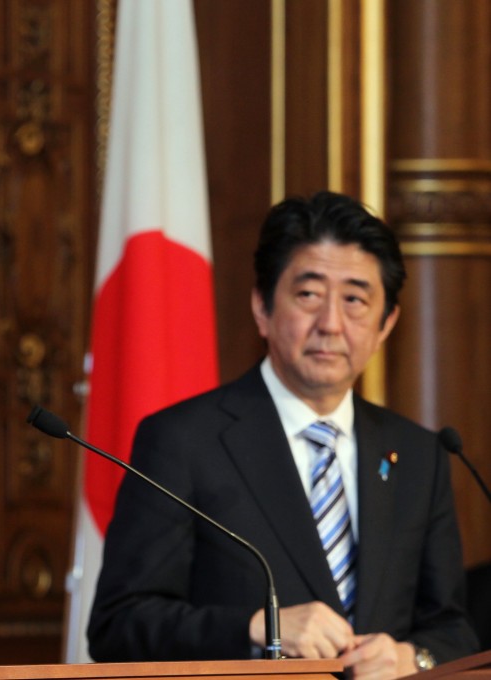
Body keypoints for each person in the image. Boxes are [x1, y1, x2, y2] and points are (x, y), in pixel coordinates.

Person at [88, 191, 479, 679]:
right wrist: (258, 628)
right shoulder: (183, 441)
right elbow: (117, 626)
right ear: (262, 308)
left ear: (386, 324)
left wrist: (411, 657)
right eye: (308, 295)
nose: (331, 324)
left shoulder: (421, 455)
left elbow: (453, 630)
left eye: (356, 300)